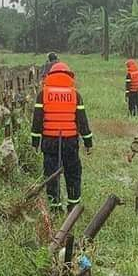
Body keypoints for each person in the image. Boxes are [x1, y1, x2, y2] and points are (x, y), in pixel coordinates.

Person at [30, 58, 93, 212]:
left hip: (49, 141)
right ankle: (73, 207)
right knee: (73, 174)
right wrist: (88, 142)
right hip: (70, 142)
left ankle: (55, 208)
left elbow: (37, 121)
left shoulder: (42, 94)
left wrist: (35, 143)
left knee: (51, 174)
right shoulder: (75, 95)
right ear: (69, 76)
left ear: (50, 75)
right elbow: (82, 121)